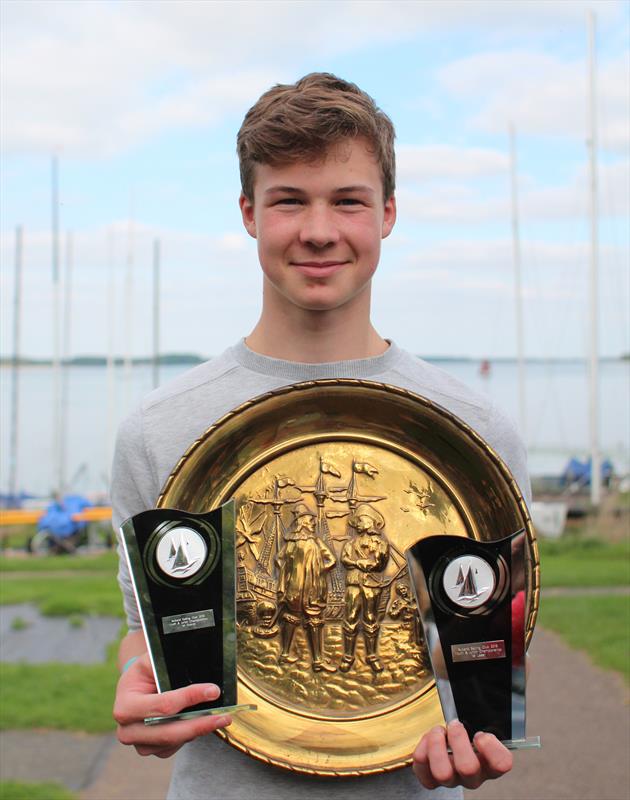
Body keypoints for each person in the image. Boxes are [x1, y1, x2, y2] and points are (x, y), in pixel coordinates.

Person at [112, 72, 529, 799]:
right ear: (248, 212)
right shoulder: (159, 429)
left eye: (347, 200)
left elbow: (491, 645)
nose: (318, 229)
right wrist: (141, 690)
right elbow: (151, 636)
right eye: (288, 200)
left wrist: (483, 728)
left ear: (389, 213)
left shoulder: (475, 434)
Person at [275, 502, 337, 671]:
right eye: (311, 520)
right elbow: (279, 559)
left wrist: (316, 571)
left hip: (304, 587)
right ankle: (312, 660)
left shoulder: (298, 542)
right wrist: (295, 573)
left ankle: (288, 655)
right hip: (304, 589)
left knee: (302, 618)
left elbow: (331, 560)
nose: (313, 523)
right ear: (302, 521)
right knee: (306, 619)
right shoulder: (297, 541)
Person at [339, 504, 390, 673]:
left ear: (370, 522)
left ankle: (372, 656)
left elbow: (381, 564)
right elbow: (344, 559)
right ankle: (348, 657)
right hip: (353, 583)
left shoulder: (380, 542)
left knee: (370, 618)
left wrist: (373, 561)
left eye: (360, 520)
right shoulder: (351, 543)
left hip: (371, 584)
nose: (358, 524)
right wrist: (356, 563)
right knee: (350, 618)